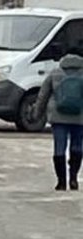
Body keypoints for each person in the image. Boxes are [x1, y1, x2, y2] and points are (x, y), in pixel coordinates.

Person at [38, 52, 83, 191]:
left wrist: (37, 113)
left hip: (58, 117)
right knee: (77, 146)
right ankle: (74, 178)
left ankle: (61, 182)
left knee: (59, 148)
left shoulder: (55, 73)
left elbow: (43, 95)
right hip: (80, 117)